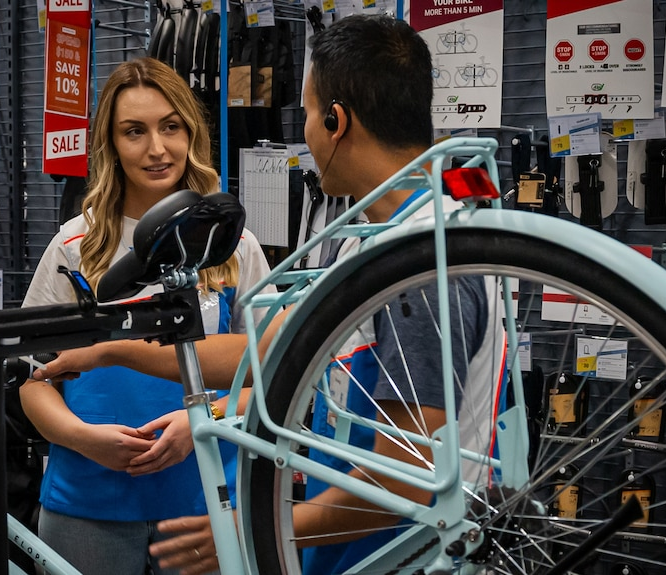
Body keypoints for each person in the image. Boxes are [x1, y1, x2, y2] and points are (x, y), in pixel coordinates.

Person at [33, 14, 504, 575]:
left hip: (402, 556)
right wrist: (112, 350)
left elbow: (406, 477)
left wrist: (259, 526)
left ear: (336, 121)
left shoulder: (419, 260)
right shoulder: (368, 242)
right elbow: (264, 351)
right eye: (134, 131)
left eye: (306, 112)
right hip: (351, 552)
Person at [18, 57, 275, 575]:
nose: (157, 149)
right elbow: (32, 378)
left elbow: (273, 374)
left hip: (207, 505)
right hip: (87, 504)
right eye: (134, 131)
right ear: (111, 144)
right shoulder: (74, 245)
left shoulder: (232, 246)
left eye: (170, 127)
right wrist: (81, 437)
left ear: (190, 133)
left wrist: (204, 420)